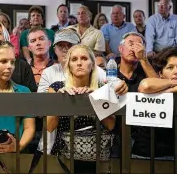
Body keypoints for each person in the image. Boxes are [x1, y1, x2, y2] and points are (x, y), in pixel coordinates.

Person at [47, 44, 128, 173]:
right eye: (74, 59)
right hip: (65, 156)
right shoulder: (56, 87)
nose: (79, 63)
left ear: (92, 64)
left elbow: (111, 125)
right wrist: (60, 101)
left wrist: (95, 98)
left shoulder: (103, 88)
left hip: (98, 156)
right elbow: (50, 127)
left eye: (84, 58)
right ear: (68, 65)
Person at [38, 28, 107, 93]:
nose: (65, 49)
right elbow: (42, 101)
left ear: (79, 46)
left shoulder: (99, 72)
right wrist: (58, 97)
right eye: (60, 46)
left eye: (70, 45)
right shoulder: (48, 73)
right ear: (55, 50)